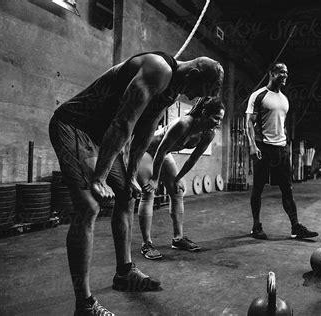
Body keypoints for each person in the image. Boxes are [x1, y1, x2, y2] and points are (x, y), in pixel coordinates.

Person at [49, 51, 224, 316]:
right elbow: (123, 123)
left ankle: (124, 273)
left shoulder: (170, 91)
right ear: (194, 74)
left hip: (100, 136)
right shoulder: (158, 69)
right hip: (76, 126)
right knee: (89, 206)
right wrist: (99, 177)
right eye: (200, 90)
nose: (193, 98)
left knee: (127, 195)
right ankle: (83, 305)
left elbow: (144, 130)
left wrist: (130, 175)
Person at [136, 97, 225, 260]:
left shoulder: (208, 133)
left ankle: (178, 239)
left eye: (220, 119)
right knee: (148, 192)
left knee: (177, 192)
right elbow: (161, 151)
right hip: (146, 150)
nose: (218, 123)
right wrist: (155, 179)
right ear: (204, 113)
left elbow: (193, 159)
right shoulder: (183, 124)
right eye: (216, 118)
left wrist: (178, 178)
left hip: (163, 154)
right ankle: (146, 243)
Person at [245, 62, 318, 240]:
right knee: (258, 188)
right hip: (263, 148)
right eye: (281, 72)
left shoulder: (284, 99)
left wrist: (285, 145)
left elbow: (280, 124)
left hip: (281, 149)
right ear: (271, 73)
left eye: (287, 72)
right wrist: (253, 147)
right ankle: (256, 226)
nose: (285, 75)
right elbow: (248, 123)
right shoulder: (259, 95)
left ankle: (295, 227)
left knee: (288, 189)